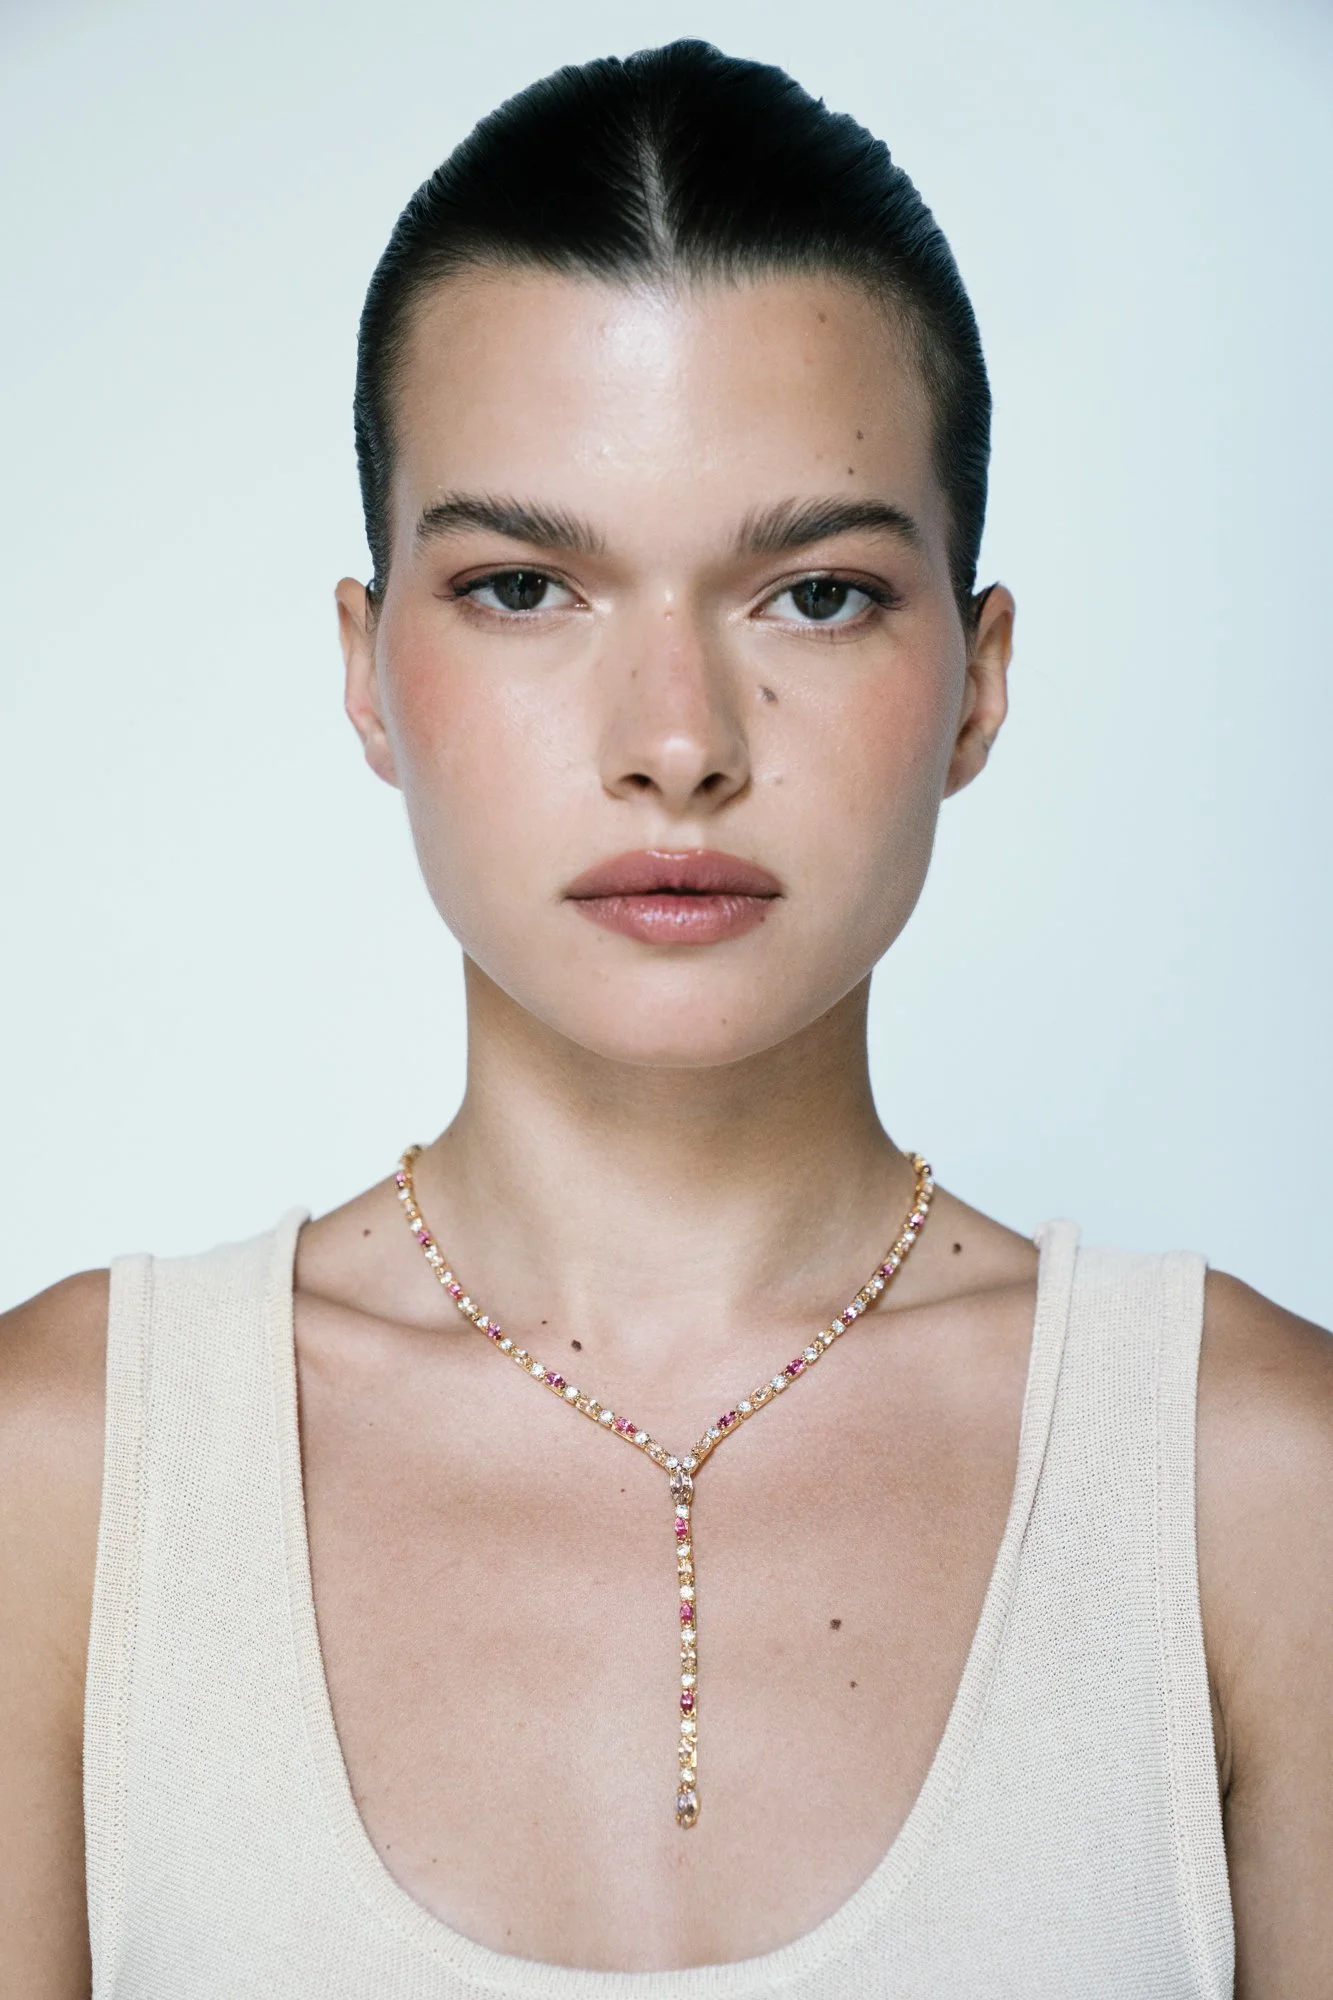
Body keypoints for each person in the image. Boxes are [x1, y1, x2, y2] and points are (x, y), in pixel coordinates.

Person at [2, 38, 1329, 2000]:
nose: (679, 743)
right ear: (368, 671)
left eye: (816, 595)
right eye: (526, 586)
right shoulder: (67, 1479)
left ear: (979, 679)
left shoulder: (1259, 1486)